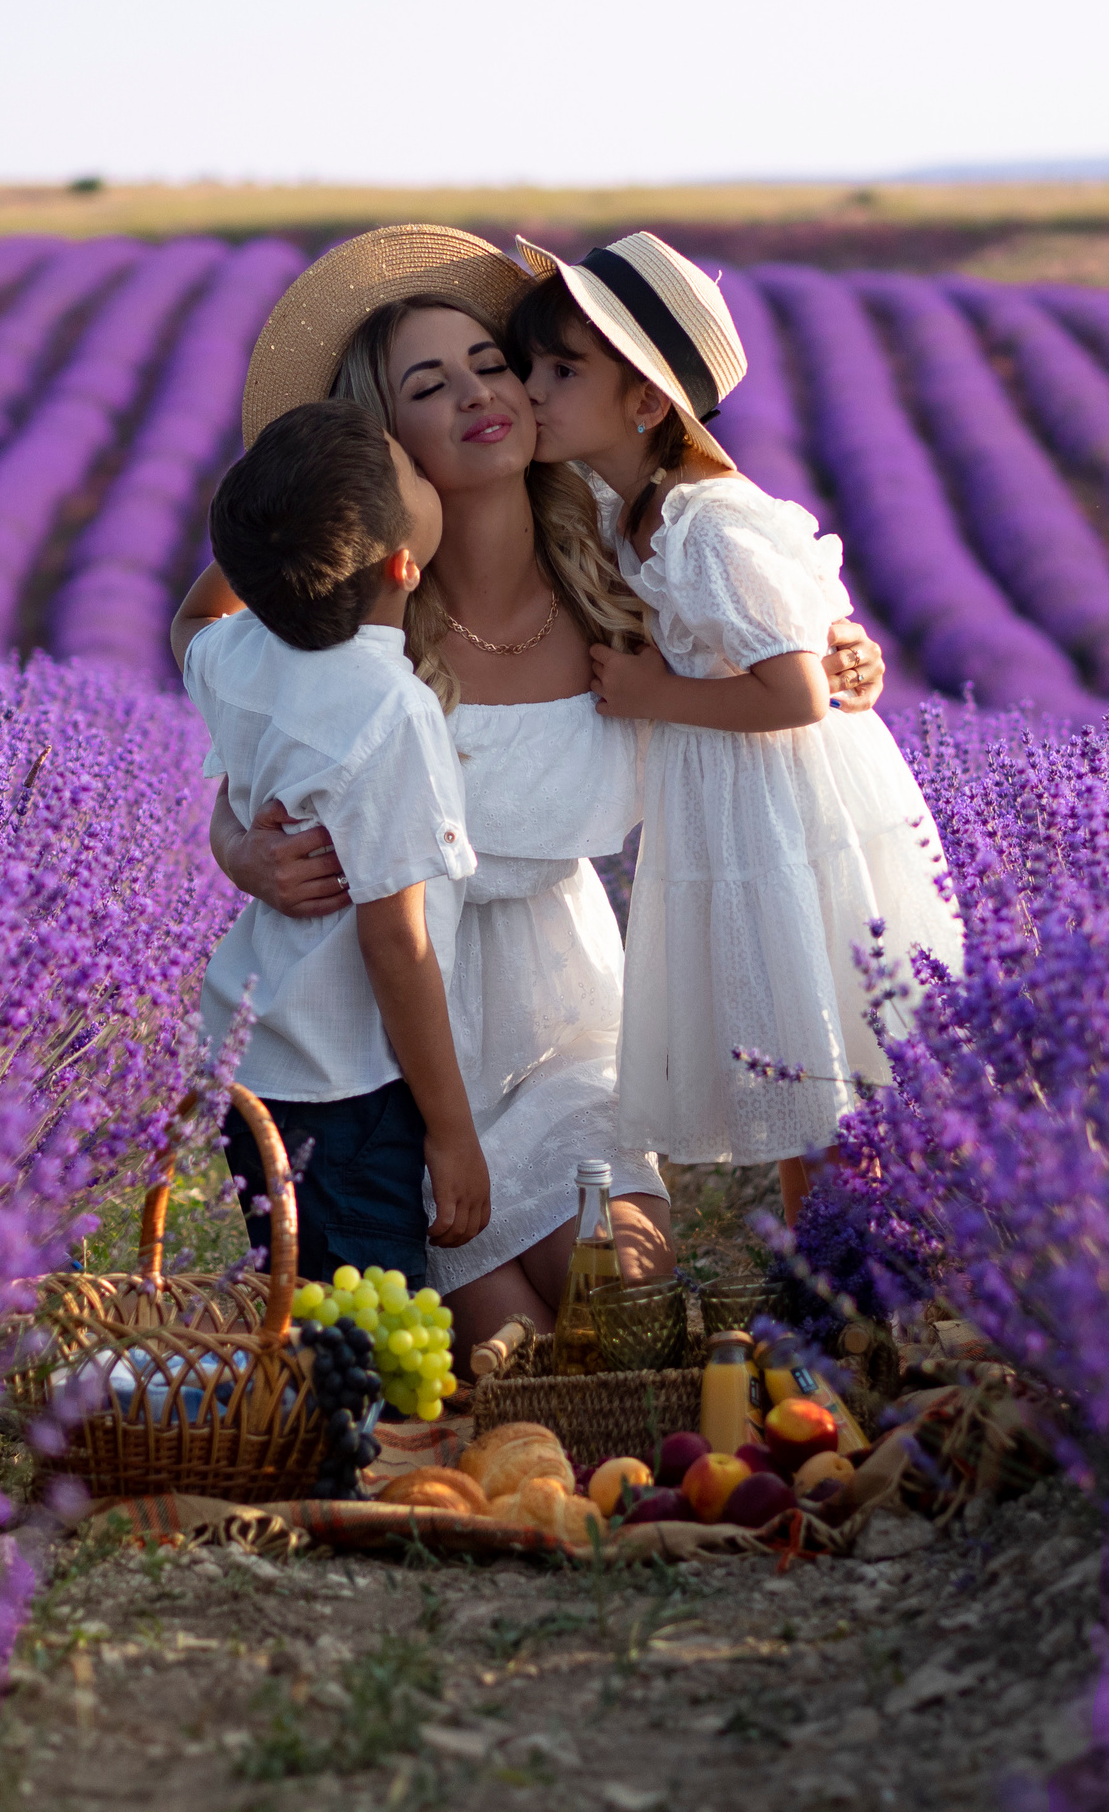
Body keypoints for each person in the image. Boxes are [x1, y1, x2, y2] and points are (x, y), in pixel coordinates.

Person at [191, 227, 893, 1355]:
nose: (482, 392)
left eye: (491, 362)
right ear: (384, 441)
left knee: (621, 1316)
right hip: (401, 1054)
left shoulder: (630, 571)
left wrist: (842, 647)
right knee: (493, 1367)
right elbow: (235, 673)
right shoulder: (355, 638)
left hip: (571, 1019)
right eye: (431, 385)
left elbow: (770, 628)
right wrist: (237, 842)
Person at [508, 232, 966, 1227]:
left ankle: (859, 1275)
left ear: (642, 401)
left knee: (824, 1060)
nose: (531, 387)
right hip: (743, 802)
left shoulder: (705, 521)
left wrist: (649, 694)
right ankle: (835, 1277)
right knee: (804, 1064)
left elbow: (798, 692)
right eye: (532, 364)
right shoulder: (616, 500)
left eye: (561, 369)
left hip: (788, 811)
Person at [169, 398, 490, 1291]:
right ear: (404, 564)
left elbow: (188, 625)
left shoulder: (240, 653)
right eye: (416, 476)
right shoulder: (392, 710)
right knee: (365, 1334)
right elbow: (397, 942)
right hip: (351, 1086)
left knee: (299, 1308)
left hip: (258, 1062)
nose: (427, 472)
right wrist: (451, 1132)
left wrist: (273, 544)